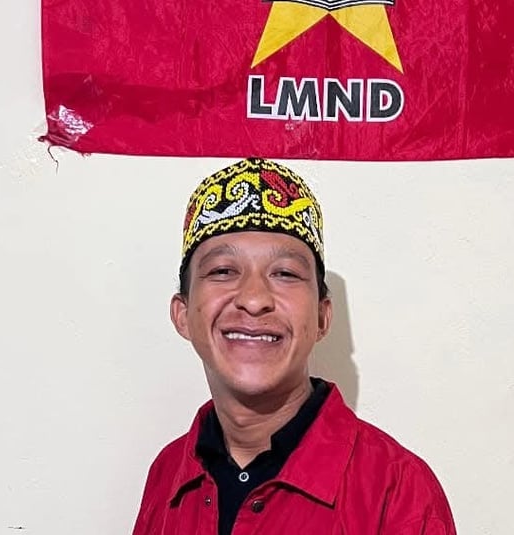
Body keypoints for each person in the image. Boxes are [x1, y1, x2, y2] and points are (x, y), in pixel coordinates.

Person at [132, 158, 456, 534]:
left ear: (322, 317)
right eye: (223, 271)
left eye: (285, 273)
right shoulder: (167, 475)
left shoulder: (397, 490)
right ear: (182, 314)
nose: (254, 299)